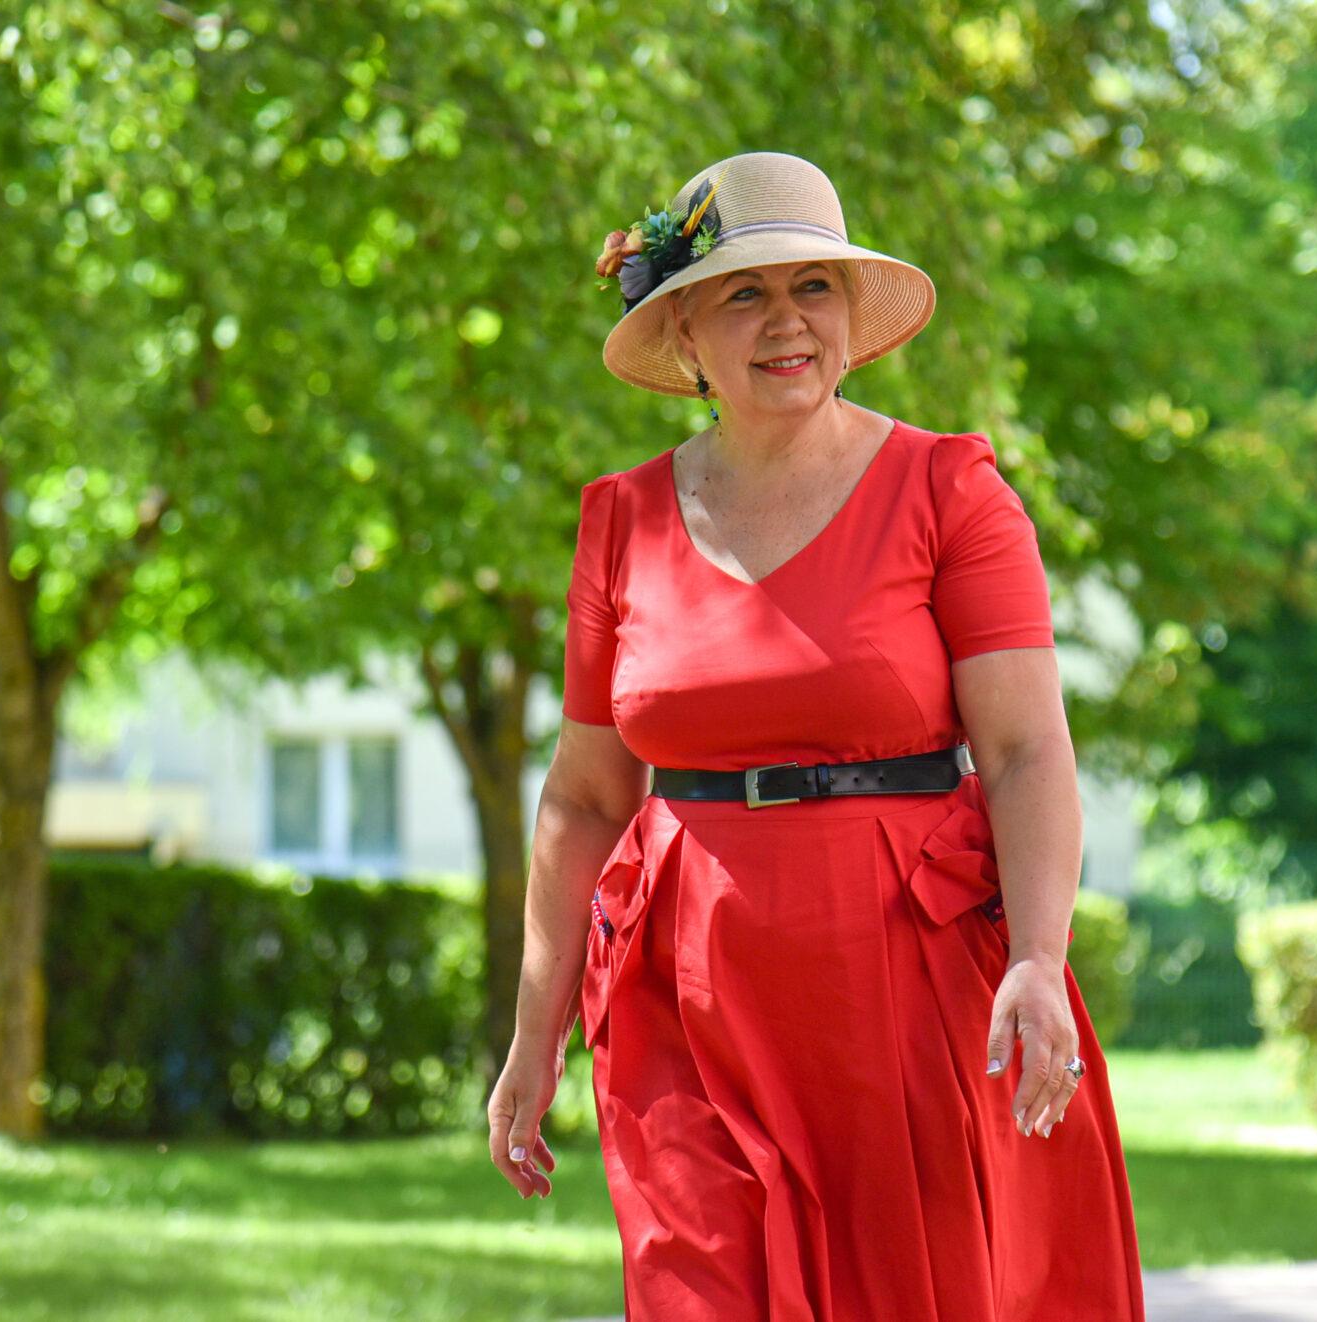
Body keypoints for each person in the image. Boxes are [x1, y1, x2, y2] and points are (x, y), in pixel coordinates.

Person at [486, 150, 1144, 1321]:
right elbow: (584, 796)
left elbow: (1026, 752)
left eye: (814, 287)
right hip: (682, 989)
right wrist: (535, 1034)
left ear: (849, 316)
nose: (785, 319)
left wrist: (1040, 958)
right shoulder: (621, 520)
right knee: (697, 1292)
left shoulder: (950, 490)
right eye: (745, 292)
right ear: (685, 329)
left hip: (902, 977)